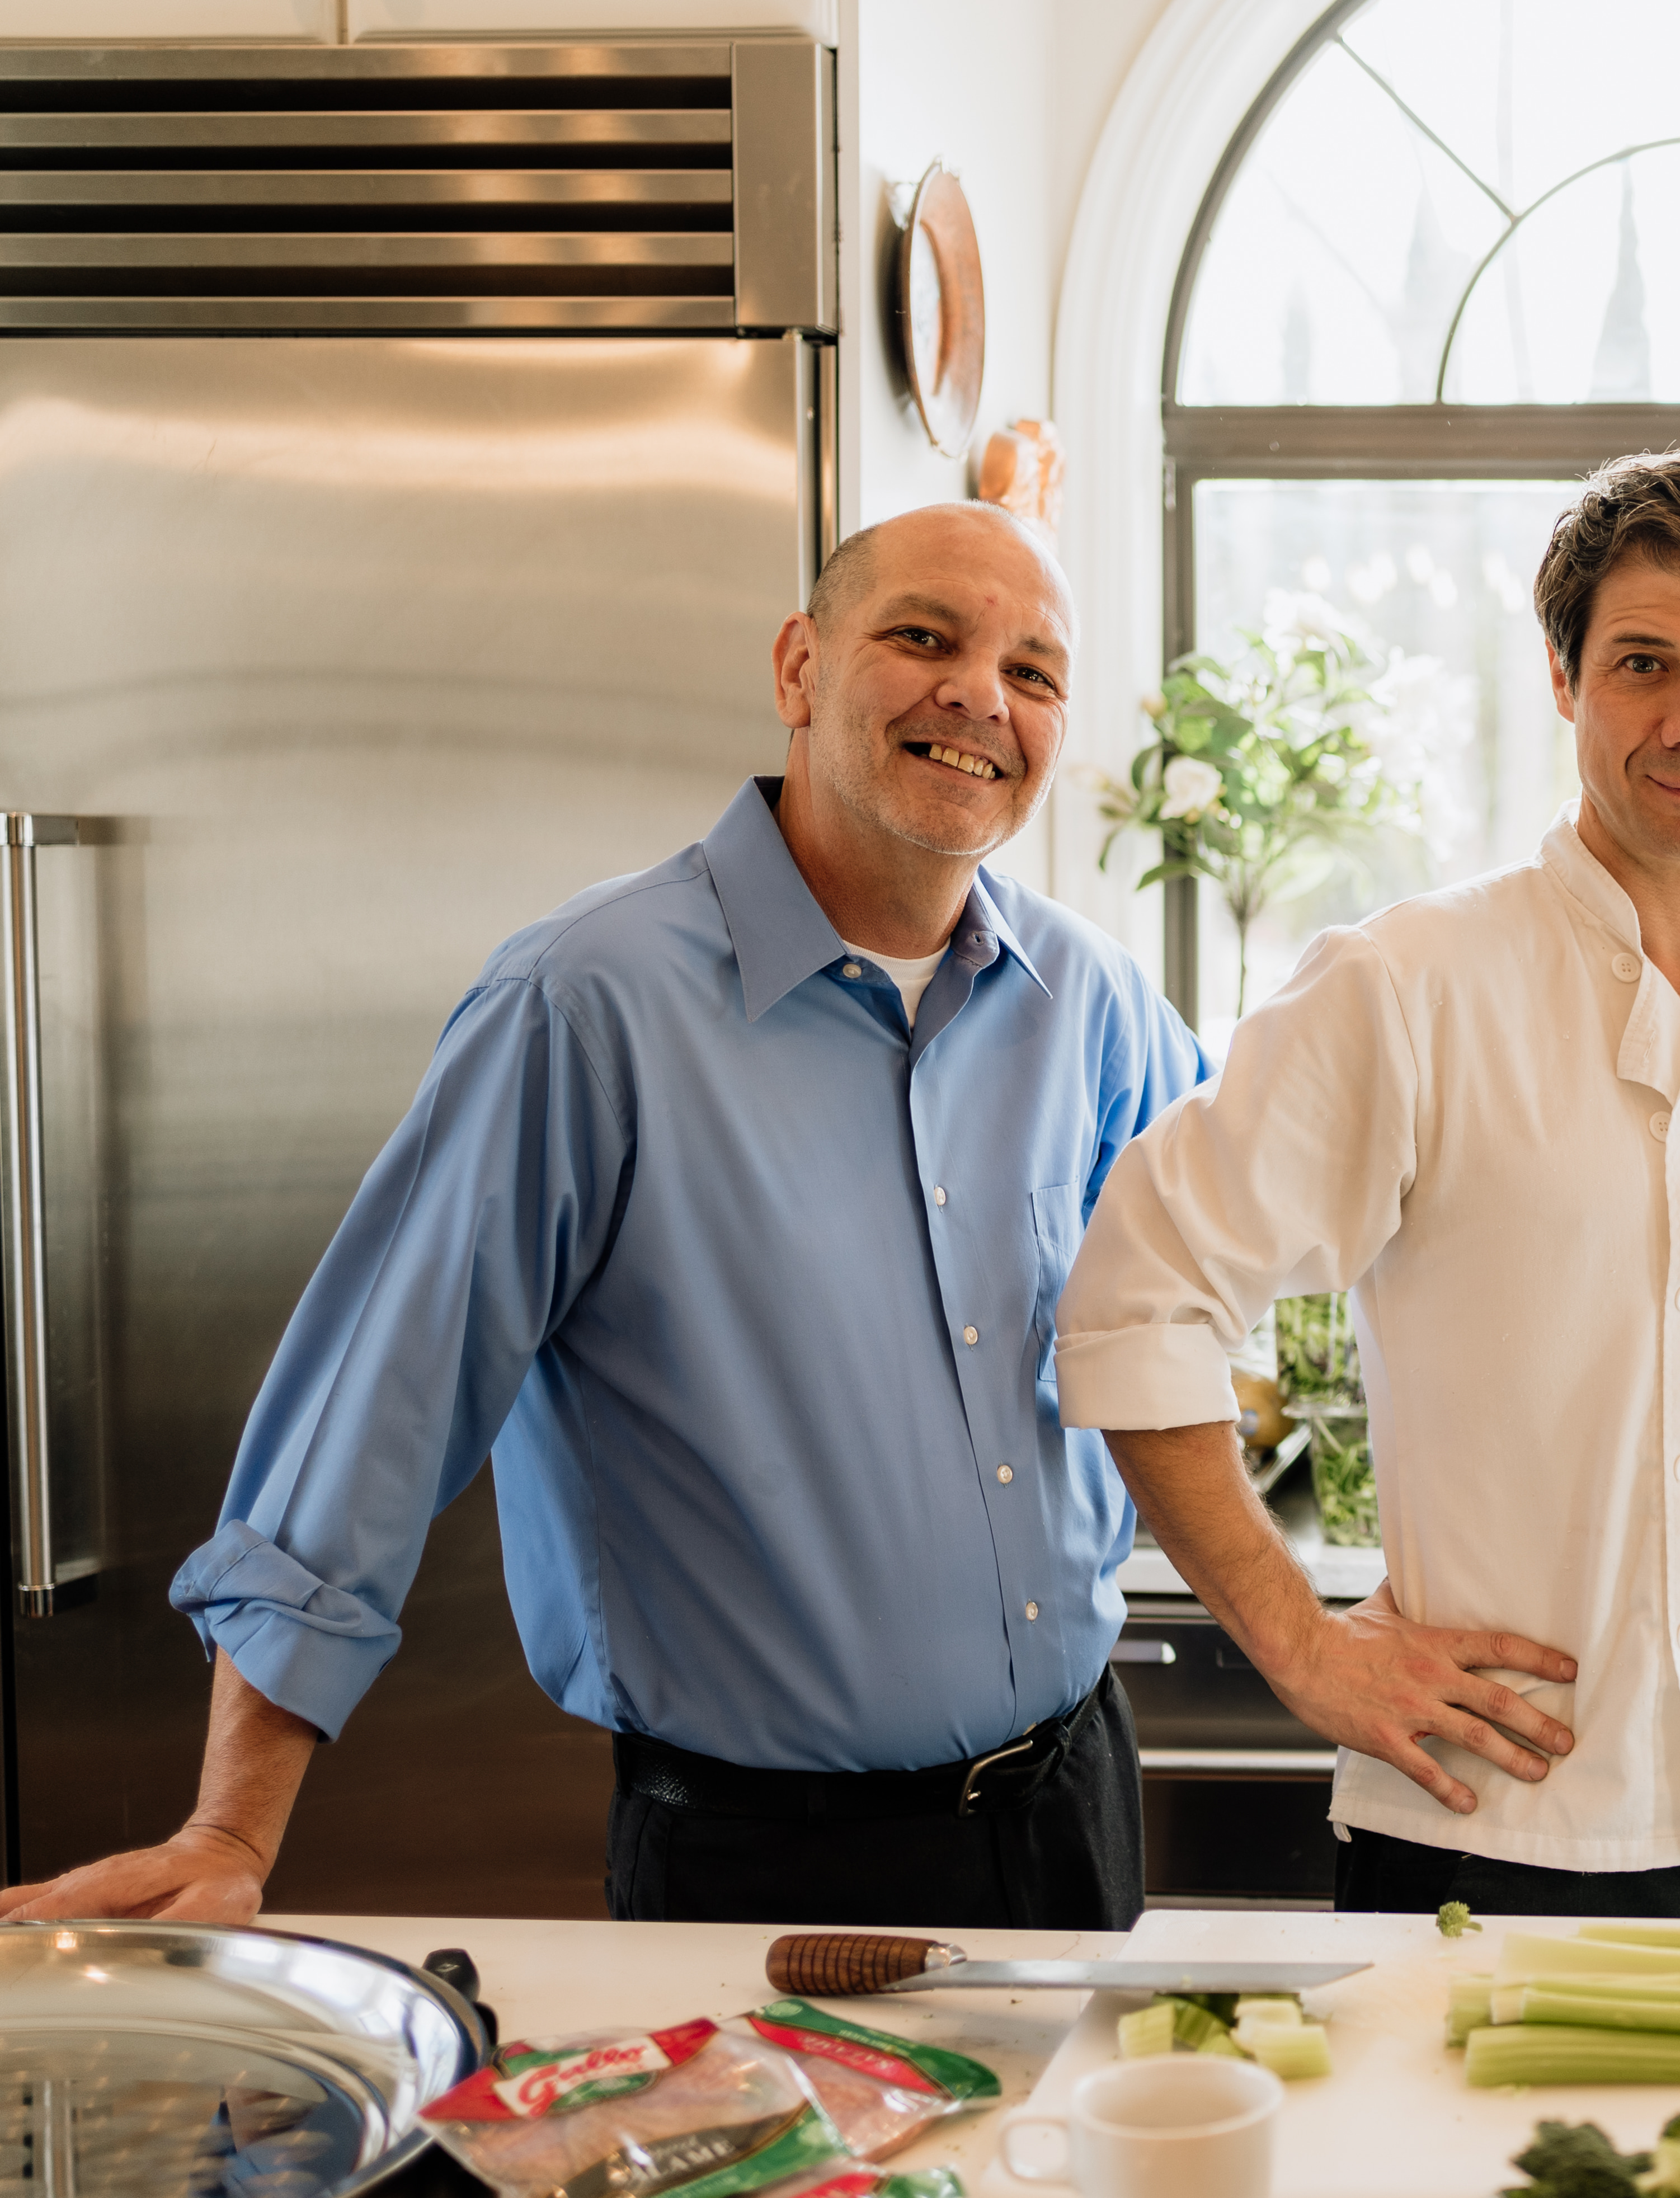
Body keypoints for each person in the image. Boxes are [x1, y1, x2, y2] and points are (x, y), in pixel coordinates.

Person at [0, 503, 1206, 1930]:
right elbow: (371, 1418)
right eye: (923, 638)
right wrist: (229, 1830)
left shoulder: (1103, 1008)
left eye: (1036, 671)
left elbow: (1183, 1324)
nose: (980, 698)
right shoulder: (582, 1006)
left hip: (1073, 1807)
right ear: (800, 670)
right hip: (768, 1865)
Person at [1056, 448, 1680, 1920]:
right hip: (1490, 1817)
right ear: (1563, 678)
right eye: (1643, 663)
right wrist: (1308, 1649)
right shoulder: (1409, 984)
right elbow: (1136, 1301)